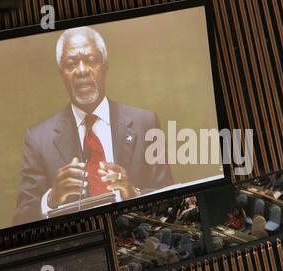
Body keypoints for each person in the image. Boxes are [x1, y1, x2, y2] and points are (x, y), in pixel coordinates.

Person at [14, 27, 173, 226]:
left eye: (91, 61)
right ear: (61, 73)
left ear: (105, 66)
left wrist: (133, 193)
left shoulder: (145, 124)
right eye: (71, 64)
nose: (81, 71)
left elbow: (171, 199)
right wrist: (51, 198)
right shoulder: (38, 140)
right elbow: (21, 220)